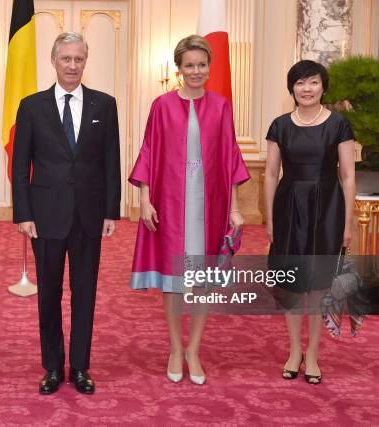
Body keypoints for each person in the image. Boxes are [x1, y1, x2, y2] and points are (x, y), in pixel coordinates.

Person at [129, 35, 250, 385]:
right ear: (178, 68)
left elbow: (230, 160)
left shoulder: (222, 106)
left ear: (208, 67)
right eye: (189, 65)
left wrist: (235, 209)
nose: (196, 71)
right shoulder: (162, 105)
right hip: (168, 203)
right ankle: (174, 349)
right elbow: (149, 152)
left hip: (208, 207)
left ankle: (194, 349)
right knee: (173, 281)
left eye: (201, 65)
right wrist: (145, 199)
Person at [13, 32, 121, 395]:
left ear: (85, 62)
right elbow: (20, 165)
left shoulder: (104, 105)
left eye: (78, 59)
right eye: (66, 59)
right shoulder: (31, 106)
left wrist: (111, 210)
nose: (72, 65)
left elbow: (111, 161)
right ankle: (53, 367)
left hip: (90, 215)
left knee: (85, 292)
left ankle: (80, 366)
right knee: (48, 294)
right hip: (45, 216)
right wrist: (23, 213)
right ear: (53, 61)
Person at [264, 59, 356, 384]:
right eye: (300, 83)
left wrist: (347, 223)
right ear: (292, 88)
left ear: (323, 86)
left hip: (328, 207)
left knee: (317, 287)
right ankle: (293, 351)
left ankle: (313, 354)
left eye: (313, 82)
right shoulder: (279, 125)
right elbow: (272, 174)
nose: (307, 88)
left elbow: (347, 176)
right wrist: (270, 219)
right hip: (289, 207)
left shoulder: (339, 124)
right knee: (291, 284)